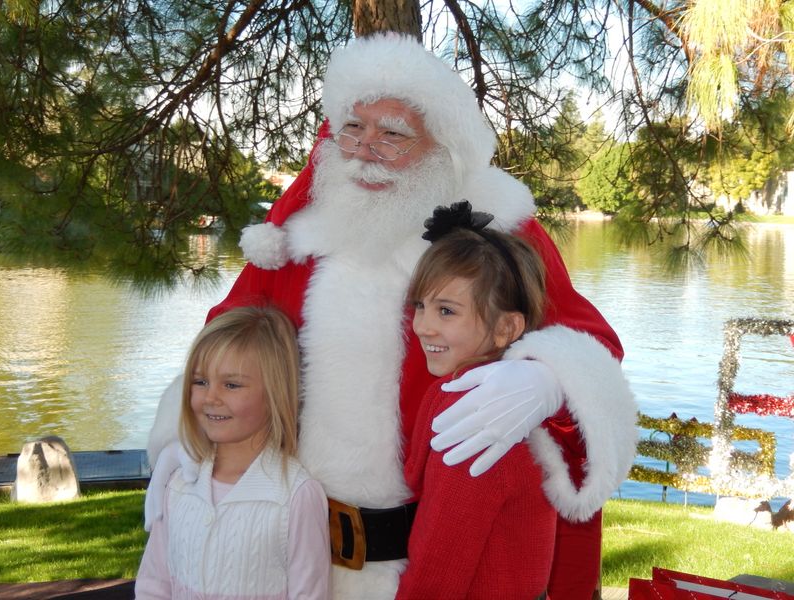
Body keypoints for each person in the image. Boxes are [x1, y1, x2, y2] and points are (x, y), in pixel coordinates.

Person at [147, 33, 637, 600]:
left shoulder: (491, 235)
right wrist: (184, 428)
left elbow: (591, 339)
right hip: (291, 563)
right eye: (353, 127)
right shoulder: (300, 234)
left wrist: (546, 376)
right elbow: (226, 333)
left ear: (441, 148)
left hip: (424, 565)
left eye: (394, 133)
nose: (365, 147)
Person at [395, 201, 556, 599]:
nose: (423, 327)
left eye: (446, 311)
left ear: (506, 328)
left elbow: (437, 574)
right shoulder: (504, 401)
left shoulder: (478, 424)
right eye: (421, 306)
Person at [136, 307, 330, 600]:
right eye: (200, 382)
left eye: (231, 385)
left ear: (275, 393)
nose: (211, 397)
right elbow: (154, 583)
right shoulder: (177, 485)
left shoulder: (297, 495)